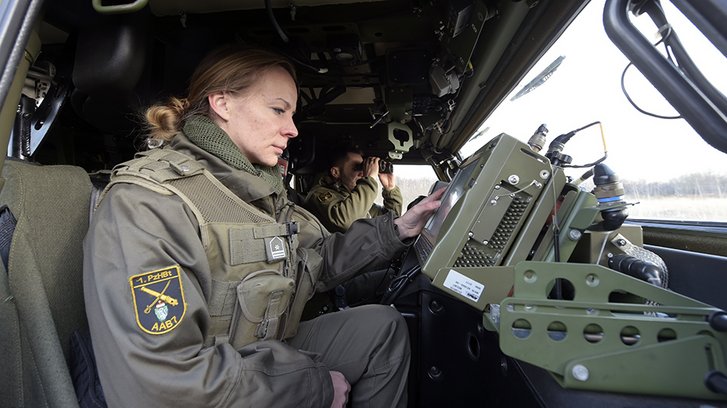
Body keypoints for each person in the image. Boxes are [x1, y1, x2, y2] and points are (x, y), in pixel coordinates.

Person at [83, 45, 443, 408]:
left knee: (382, 328)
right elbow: (164, 384)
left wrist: (397, 229)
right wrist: (314, 389)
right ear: (222, 104)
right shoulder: (150, 202)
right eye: (277, 110)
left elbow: (312, 261)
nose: (292, 130)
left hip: (261, 351)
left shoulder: (258, 191)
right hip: (208, 383)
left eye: (292, 114)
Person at [304, 147, 403, 234]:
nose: (362, 173)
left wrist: (390, 189)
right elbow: (346, 221)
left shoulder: (352, 196)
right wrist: (370, 180)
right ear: (335, 172)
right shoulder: (318, 195)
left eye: (363, 168)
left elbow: (390, 222)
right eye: (356, 168)